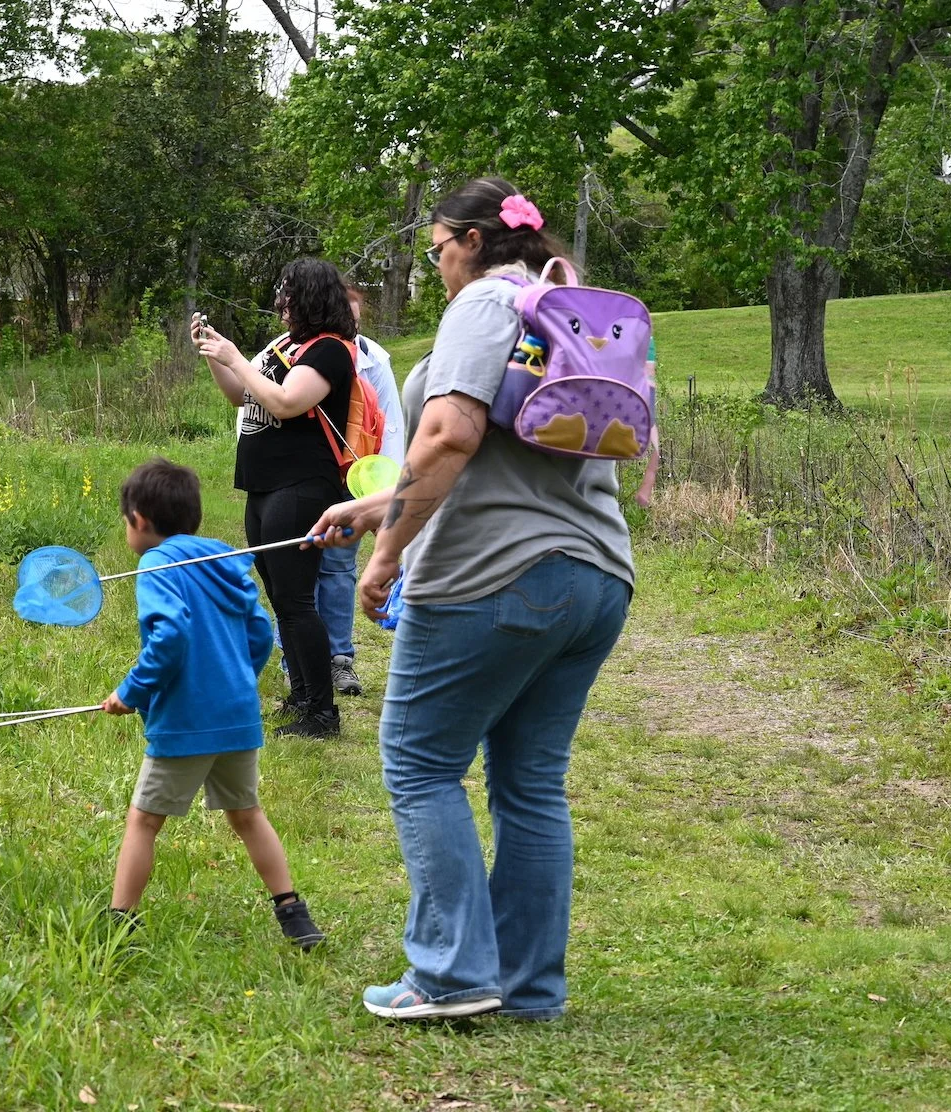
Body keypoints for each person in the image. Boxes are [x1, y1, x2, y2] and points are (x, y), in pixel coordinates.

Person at [308, 178, 634, 1021]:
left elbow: (448, 435)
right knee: (531, 784)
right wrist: (374, 506)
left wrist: (385, 559)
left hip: (500, 577)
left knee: (420, 762)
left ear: (473, 240)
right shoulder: (563, 307)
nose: (439, 265)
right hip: (595, 576)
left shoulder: (488, 305)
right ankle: (528, 989)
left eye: (438, 248)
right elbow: (500, 463)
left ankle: (450, 975)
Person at [97, 458, 324, 947]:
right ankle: (293, 912)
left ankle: (120, 922)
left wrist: (130, 692)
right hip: (237, 717)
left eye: (125, 520)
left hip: (186, 722)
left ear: (138, 519)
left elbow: (170, 636)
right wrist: (239, 679)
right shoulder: (222, 559)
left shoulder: (156, 565)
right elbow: (261, 630)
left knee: (144, 820)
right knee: (247, 814)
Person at [193, 258, 358, 738]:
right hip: (264, 485)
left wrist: (237, 357)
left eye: (287, 292)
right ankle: (302, 695)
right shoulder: (286, 346)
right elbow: (242, 396)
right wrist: (214, 354)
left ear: (309, 296)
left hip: (303, 483)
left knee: (297, 599)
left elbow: (287, 401)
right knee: (281, 597)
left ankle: (323, 714)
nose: (280, 302)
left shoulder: (329, 351)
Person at [302, 285, 411, 696]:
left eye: (354, 316)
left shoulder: (373, 359)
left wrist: (390, 494)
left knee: (338, 568)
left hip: (356, 481)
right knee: (298, 569)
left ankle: (338, 659)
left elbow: (392, 427)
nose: (349, 325)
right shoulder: (292, 353)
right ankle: (294, 654)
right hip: (305, 480)